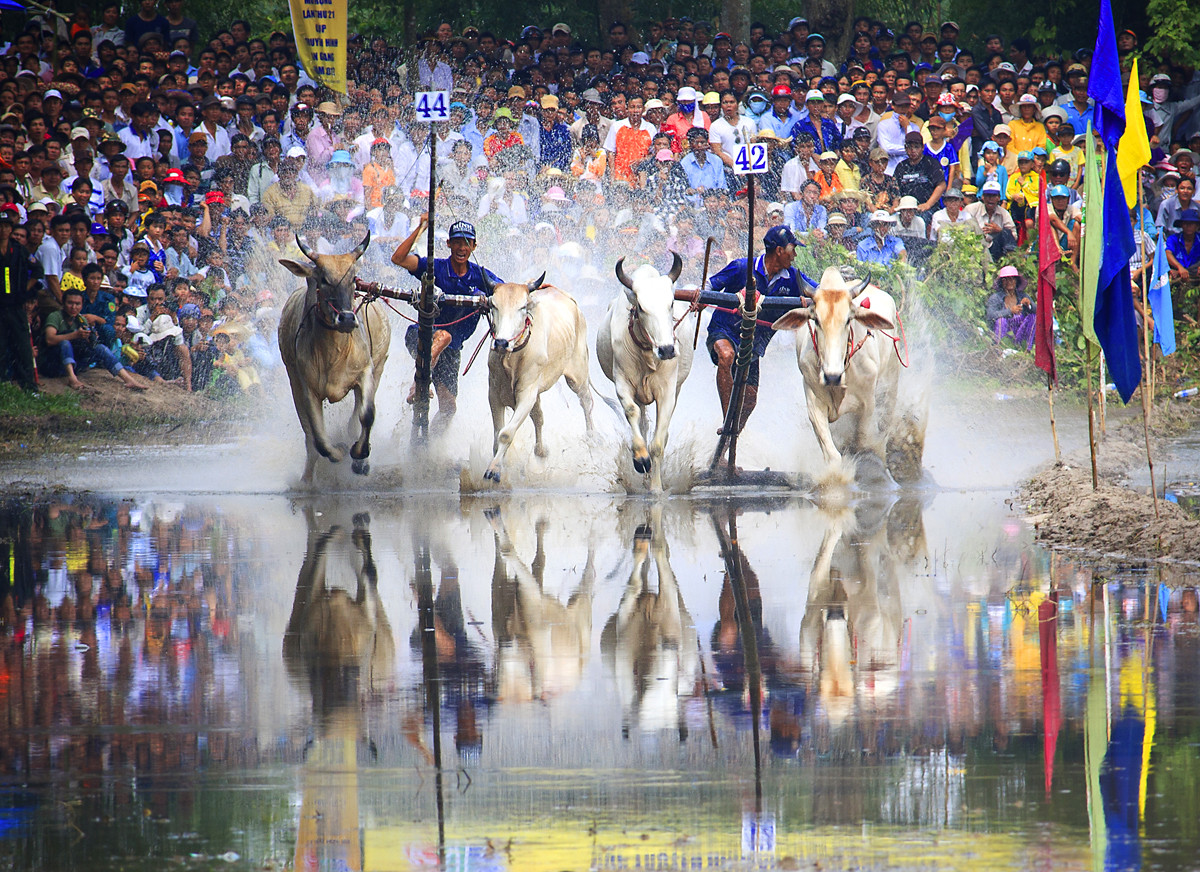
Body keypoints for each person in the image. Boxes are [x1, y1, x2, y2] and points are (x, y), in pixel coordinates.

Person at [391, 217, 502, 434]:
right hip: (422, 335)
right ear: (448, 244)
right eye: (457, 242)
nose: (462, 247)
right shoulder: (435, 268)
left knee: (449, 409)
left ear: (474, 246)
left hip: (451, 352)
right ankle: (418, 382)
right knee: (443, 336)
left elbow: (506, 292)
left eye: (467, 243)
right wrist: (421, 227)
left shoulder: (480, 276)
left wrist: (531, 289)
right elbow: (398, 258)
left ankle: (429, 451)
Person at [706, 225, 812, 439]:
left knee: (750, 401)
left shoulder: (793, 278)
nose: (796, 255)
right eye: (793, 249)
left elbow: (820, 292)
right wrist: (703, 298)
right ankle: (727, 421)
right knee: (726, 356)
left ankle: (728, 441)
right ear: (780, 251)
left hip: (753, 345)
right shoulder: (741, 267)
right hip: (724, 331)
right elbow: (710, 286)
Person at [44, 288, 146, 390]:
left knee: (100, 348)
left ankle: (128, 379)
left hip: (76, 363)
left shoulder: (81, 319)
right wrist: (75, 335)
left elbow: (89, 344)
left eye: (77, 304)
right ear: (63, 303)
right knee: (65, 343)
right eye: (70, 303)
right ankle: (72, 378)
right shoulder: (55, 316)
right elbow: (49, 339)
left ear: (82, 305)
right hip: (54, 364)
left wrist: (90, 337)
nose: (73, 307)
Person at [0, 210, 38, 391]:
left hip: (15, 304)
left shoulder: (19, 249)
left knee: (23, 346)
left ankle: (28, 386)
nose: (2, 230)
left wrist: (24, 290)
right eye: (0, 226)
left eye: (6, 226)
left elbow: (37, 270)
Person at [986, 265, 1035, 350]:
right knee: (1001, 321)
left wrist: (1029, 304)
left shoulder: (1022, 296)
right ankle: (999, 349)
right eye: (1006, 279)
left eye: (1012, 279)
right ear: (1002, 282)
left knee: (1033, 317)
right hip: (1004, 333)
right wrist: (1009, 311)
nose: (1009, 281)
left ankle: (1026, 350)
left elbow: (1037, 310)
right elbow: (990, 315)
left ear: (1016, 281)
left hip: (1019, 333)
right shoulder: (996, 298)